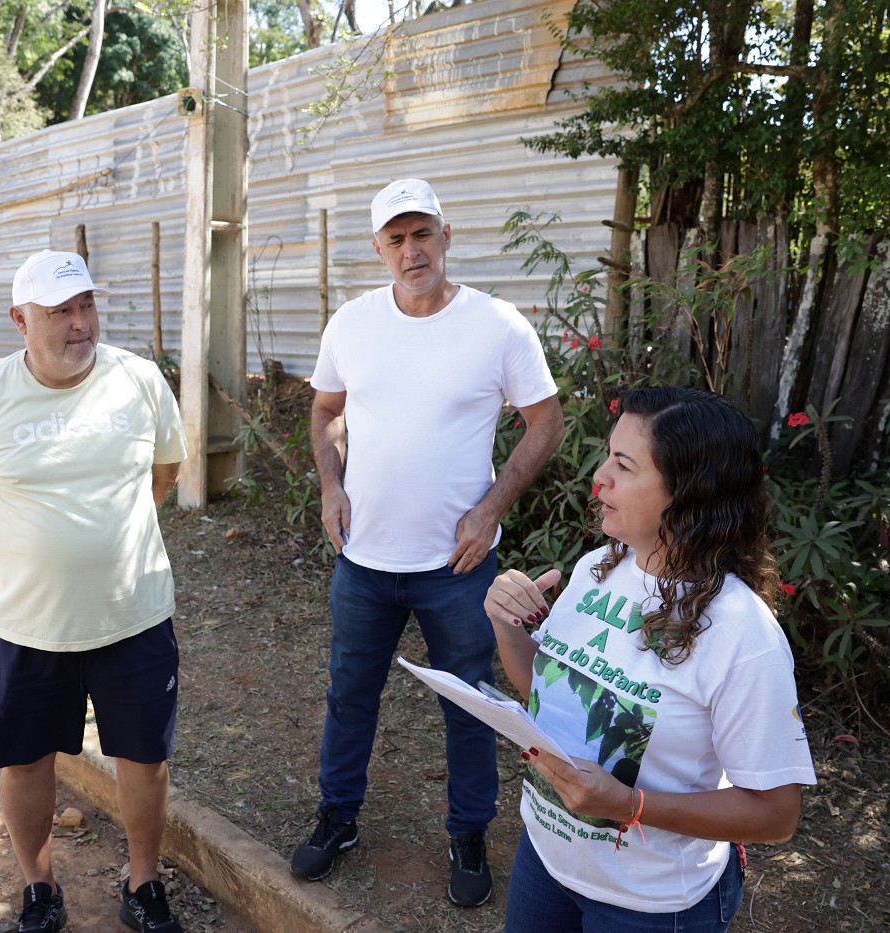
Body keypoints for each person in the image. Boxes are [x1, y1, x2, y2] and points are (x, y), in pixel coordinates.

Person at [291, 178, 566, 907]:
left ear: (447, 236)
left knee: (472, 702)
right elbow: (324, 412)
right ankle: (338, 815)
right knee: (350, 695)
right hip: (364, 559)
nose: (411, 250)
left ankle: (469, 830)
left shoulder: (499, 326)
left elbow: (546, 421)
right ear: (378, 248)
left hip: (459, 566)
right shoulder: (351, 324)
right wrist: (330, 485)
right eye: (396, 238)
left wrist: (489, 508)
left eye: (423, 234)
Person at [483, 386, 817, 932]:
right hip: (546, 861)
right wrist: (507, 623)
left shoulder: (741, 633)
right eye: (607, 456)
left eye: (623, 465)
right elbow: (546, 700)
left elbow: (776, 815)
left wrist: (629, 804)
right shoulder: (598, 568)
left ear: (688, 493)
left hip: (651, 904)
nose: (599, 478)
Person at [0, 250, 187, 933]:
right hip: (26, 623)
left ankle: (144, 882)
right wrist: (36, 539)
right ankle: (40, 884)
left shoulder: (137, 380)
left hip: (133, 613)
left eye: (85, 307)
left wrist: (102, 540)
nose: (79, 325)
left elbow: (162, 474)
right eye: (59, 312)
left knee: (144, 758)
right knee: (24, 762)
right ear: (20, 319)